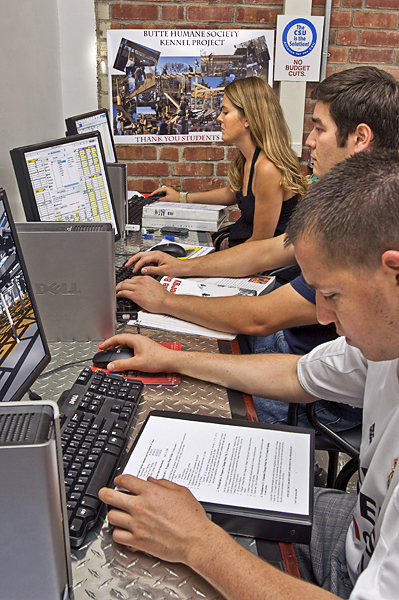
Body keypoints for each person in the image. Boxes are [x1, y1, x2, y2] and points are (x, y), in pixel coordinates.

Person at [100, 149, 399, 599]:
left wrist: (198, 543)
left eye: (332, 294)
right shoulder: (383, 343)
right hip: (359, 531)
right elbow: (300, 375)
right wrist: (172, 358)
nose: (319, 315)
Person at [116, 66, 399, 429]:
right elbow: (266, 252)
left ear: (360, 137)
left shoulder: (369, 226)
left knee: (174, 407)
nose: (309, 141)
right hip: (306, 363)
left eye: (319, 128)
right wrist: (177, 267)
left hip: (319, 389)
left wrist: (165, 301)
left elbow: (261, 318)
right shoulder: (347, 206)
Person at [150, 76, 308, 246]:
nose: (219, 118)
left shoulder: (267, 169)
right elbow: (233, 194)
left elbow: (259, 247)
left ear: (248, 118)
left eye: (225, 112)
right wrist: (181, 197)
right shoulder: (249, 159)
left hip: (263, 266)